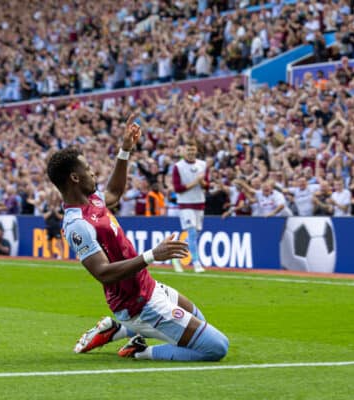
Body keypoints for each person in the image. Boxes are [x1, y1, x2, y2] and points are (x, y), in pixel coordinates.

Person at [46, 115, 228, 361]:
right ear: (75, 178)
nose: (93, 173)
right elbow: (103, 272)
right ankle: (140, 351)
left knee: (201, 322)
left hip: (148, 287)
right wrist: (153, 255)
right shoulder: (77, 224)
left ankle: (118, 329)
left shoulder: (93, 201)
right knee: (216, 347)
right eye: (87, 170)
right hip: (138, 304)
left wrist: (125, 150)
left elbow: (114, 191)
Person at [171, 139, 209, 273]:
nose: (191, 152)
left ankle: (174, 257)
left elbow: (207, 186)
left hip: (199, 203)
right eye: (188, 150)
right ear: (184, 151)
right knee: (192, 232)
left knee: (196, 233)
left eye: (193, 149)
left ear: (196, 150)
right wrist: (195, 182)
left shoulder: (203, 165)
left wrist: (202, 182)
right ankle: (196, 263)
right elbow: (178, 188)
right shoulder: (178, 166)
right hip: (185, 204)